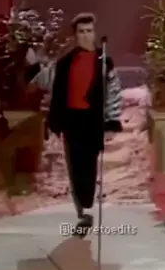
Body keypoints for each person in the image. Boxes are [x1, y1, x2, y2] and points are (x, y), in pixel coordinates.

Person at [48, 12, 122, 234]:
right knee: (74, 167)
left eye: (89, 31)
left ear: (95, 33)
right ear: (75, 35)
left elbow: (113, 93)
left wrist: (111, 121)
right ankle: (82, 212)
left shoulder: (104, 62)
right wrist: (54, 122)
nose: (86, 35)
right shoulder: (65, 63)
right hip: (71, 120)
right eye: (81, 31)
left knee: (88, 167)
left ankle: (87, 206)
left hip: (92, 121)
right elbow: (56, 93)